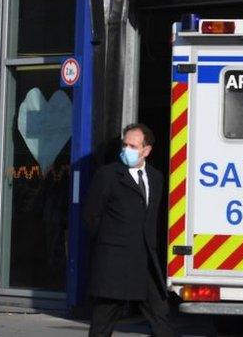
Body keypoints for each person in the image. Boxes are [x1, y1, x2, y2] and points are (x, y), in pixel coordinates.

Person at [83, 123, 174, 337]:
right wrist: (109, 243)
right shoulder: (108, 175)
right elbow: (91, 216)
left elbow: (154, 218)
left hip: (145, 262)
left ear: (146, 150)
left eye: (133, 146)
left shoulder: (156, 177)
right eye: (125, 145)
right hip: (114, 262)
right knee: (103, 322)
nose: (127, 150)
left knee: (161, 317)